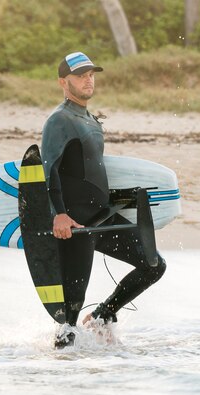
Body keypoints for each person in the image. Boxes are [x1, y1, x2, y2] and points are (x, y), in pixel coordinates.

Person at [41, 52, 167, 348]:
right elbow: (48, 170)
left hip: (103, 217)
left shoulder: (90, 118)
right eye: (80, 75)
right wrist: (57, 214)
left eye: (91, 74)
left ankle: (103, 314)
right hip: (76, 224)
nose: (88, 79)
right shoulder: (59, 120)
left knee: (153, 264)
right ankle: (63, 368)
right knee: (71, 310)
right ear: (63, 81)